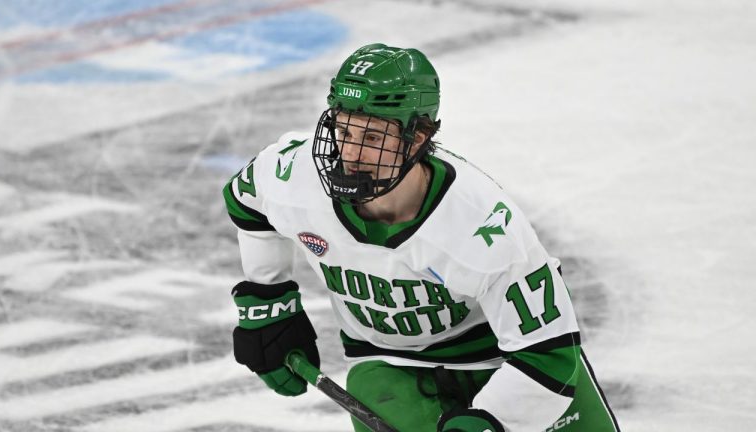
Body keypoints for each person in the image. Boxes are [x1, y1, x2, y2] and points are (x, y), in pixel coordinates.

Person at [222, 43, 620, 432]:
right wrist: (268, 298)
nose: (350, 153)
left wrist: (490, 422)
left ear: (417, 138)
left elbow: (547, 354)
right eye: (343, 129)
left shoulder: (479, 224)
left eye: (373, 138)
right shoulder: (293, 175)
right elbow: (248, 201)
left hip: (508, 360)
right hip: (390, 362)